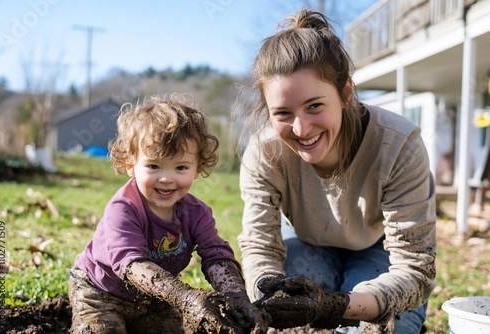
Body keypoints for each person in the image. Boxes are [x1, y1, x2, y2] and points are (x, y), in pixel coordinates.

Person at [235, 10, 436, 334]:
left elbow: (414, 269)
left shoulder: (399, 146)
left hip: (377, 247)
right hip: (305, 241)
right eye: (283, 113)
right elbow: (261, 247)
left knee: (378, 328)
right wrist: (269, 297)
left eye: (315, 106)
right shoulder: (264, 153)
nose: (301, 129)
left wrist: (336, 307)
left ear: (345, 93)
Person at [69, 94, 269, 334]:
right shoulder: (123, 209)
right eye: (154, 166)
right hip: (100, 292)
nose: (166, 178)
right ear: (131, 164)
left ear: (198, 168)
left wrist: (237, 298)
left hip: (153, 300)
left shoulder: (197, 214)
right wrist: (187, 298)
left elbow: (216, 256)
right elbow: (131, 264)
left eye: (181, 167)